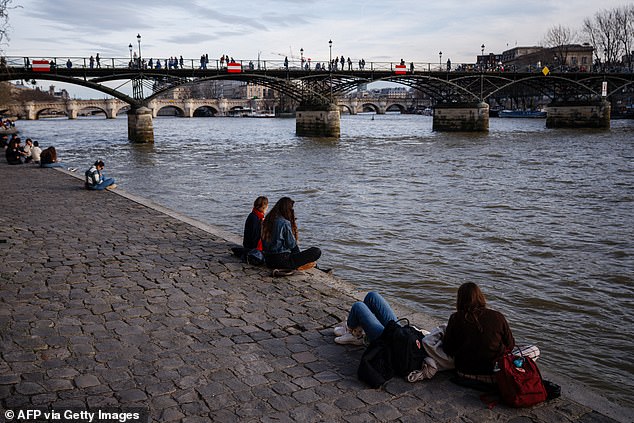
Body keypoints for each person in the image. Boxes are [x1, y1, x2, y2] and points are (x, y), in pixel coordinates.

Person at [442, 282, 540, 383]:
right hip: (496, 373)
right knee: (534, 350)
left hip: (464, 372)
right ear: (481, 297)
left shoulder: (455, 318)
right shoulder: (497, 316)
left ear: (460, 300)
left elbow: (447, 348)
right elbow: (510, 345)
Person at [261, 197, 321, 271]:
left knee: (297, 253)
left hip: (268, 260)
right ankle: (307, 266)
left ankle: (311, 266)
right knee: (316, 251)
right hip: (281, 261)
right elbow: (291, 244)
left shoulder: (267, 220)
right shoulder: (284, 222)